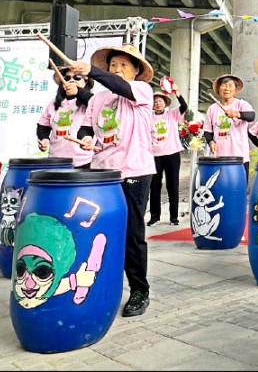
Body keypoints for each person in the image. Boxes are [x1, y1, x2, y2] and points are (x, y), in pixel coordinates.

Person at [73, 43, 155, 317]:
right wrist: (86, 138)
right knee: (100, 234)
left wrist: (92, 71)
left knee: (132, 234)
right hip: (102, 174)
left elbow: (119, 86)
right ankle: (102, 285)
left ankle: (139, 290)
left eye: (124, 65)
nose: (117, 70)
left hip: (134, 171)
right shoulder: (97, 99)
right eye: (113, 65)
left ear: (135, 71)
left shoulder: (141, 91)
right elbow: (87, 125)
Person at [36, 67, 95, 168]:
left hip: (84, 162)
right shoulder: (54, 104)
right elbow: (43, 126)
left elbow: (94, 102)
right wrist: (44, 139)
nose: (72, 81)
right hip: (56, 162)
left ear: (86, 82)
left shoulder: (91, 101)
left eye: (77, 78)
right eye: (67, 78)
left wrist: (78, 92)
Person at [148, 82, 188, 227]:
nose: (158, 103)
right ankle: (154, 216)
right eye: (155, 102)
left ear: (165, 103)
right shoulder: (149, 117)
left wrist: (177, 92)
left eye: (160, 101)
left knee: (173, 185)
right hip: (154, 155)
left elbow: (184, 107)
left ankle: (174, 217)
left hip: (172, 154)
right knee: (154, 186)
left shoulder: (172, 115)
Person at [203, 74, 256, 176]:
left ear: (235, 90)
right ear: (219, 90)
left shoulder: (241, 104)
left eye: (230, 86)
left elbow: (251, 116)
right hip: (219, 157)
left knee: (239, 188)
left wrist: (238, 114)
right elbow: (208, 131)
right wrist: (210, 142)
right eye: (223, 85)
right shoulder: (212, 109)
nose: (227, 88)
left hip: (240, 157)